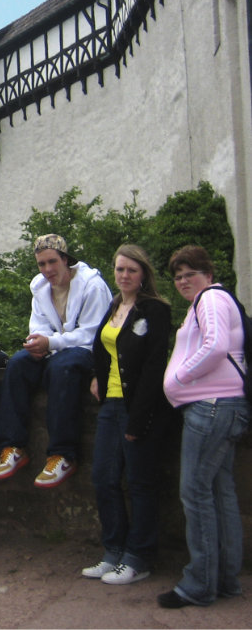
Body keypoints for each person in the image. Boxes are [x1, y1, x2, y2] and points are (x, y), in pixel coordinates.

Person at [157, 245, 249, 609]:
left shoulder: (209, 298)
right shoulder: (217, 298)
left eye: (189, 274)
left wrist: (177, 379)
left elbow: (214, 347)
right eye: (177, 276)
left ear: (207, 274)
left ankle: (198, 584)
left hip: (211, 407)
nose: (182, 281)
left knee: (195, 493)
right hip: (225, 407)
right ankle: (225, 578)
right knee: (220, 492)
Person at [81, 245, 172, 586]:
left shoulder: (155, 310)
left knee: (140, 481)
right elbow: (104, 350)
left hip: (139, 406)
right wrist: (97, 378)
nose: (124, 276)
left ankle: (139, 557)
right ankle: (113, 551)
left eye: (131, 270)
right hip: (110, 405)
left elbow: (152, 367)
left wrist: (139, 419)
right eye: (120, 270)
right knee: (104, 478)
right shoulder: (114, 306)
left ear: (143, 274)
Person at [0, 234, 111, 487]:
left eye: (52, 262)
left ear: (65, 260)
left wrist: (51, 343)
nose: (47, 270)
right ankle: (13, 446)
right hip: (56, 349)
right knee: (18, 364)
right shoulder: (40, 288)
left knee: (62, 369)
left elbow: (92, 333)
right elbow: (39, 324)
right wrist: (38, 342)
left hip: (88, 351)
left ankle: (62, 453)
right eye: (41, 264)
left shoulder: (93, 286)